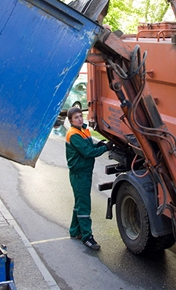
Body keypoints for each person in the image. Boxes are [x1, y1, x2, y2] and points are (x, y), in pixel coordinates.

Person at [65, 106, 113, 250]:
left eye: (80, 116)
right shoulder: (73, 134)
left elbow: (90, 143)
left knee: (80, 202)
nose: (80, 119)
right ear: (70, 120)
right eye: (76, 117)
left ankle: (74, 231)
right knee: (84, 205)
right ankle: (87, 237)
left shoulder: (83, 130)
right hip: (79, 174)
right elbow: (88, 152)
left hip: (84, 172)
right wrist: (106, 148)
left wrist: (100, 143)